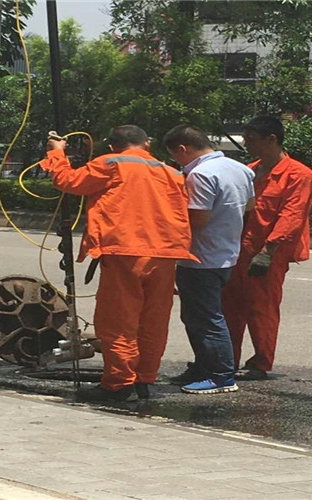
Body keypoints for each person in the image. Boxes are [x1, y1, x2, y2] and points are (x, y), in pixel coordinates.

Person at [40, 125, 196, 401]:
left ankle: (120, 382)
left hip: (125, 251)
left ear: (112, 146)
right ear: (147, 144)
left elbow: (67, 181)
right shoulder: (171, 172)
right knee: (153, 322)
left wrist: (57, 152)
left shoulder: (111, 163)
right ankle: (145, 379)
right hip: (165, 255)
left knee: (118, 321)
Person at [222, 116, 312, 380]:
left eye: (251, 140)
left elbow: (292, 216)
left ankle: (261, 362)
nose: (246, 144)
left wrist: (268, 251)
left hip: (268, 253)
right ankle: (228, 359)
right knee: (230, 306)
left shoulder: (299, 175)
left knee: (261, 308)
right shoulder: (250, 171)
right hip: (238, 248)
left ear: (271, 139)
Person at [163, 125, 255, 394]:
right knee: (196, 316)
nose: (176, 163)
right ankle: (204, 366)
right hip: (226, 253)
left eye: (175, 157)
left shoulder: (200, 174)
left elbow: (198, 219)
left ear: (183, 149)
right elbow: (250, 206)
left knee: (207, 318)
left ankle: (221, 375)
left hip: (200, 257)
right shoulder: (240, 168)